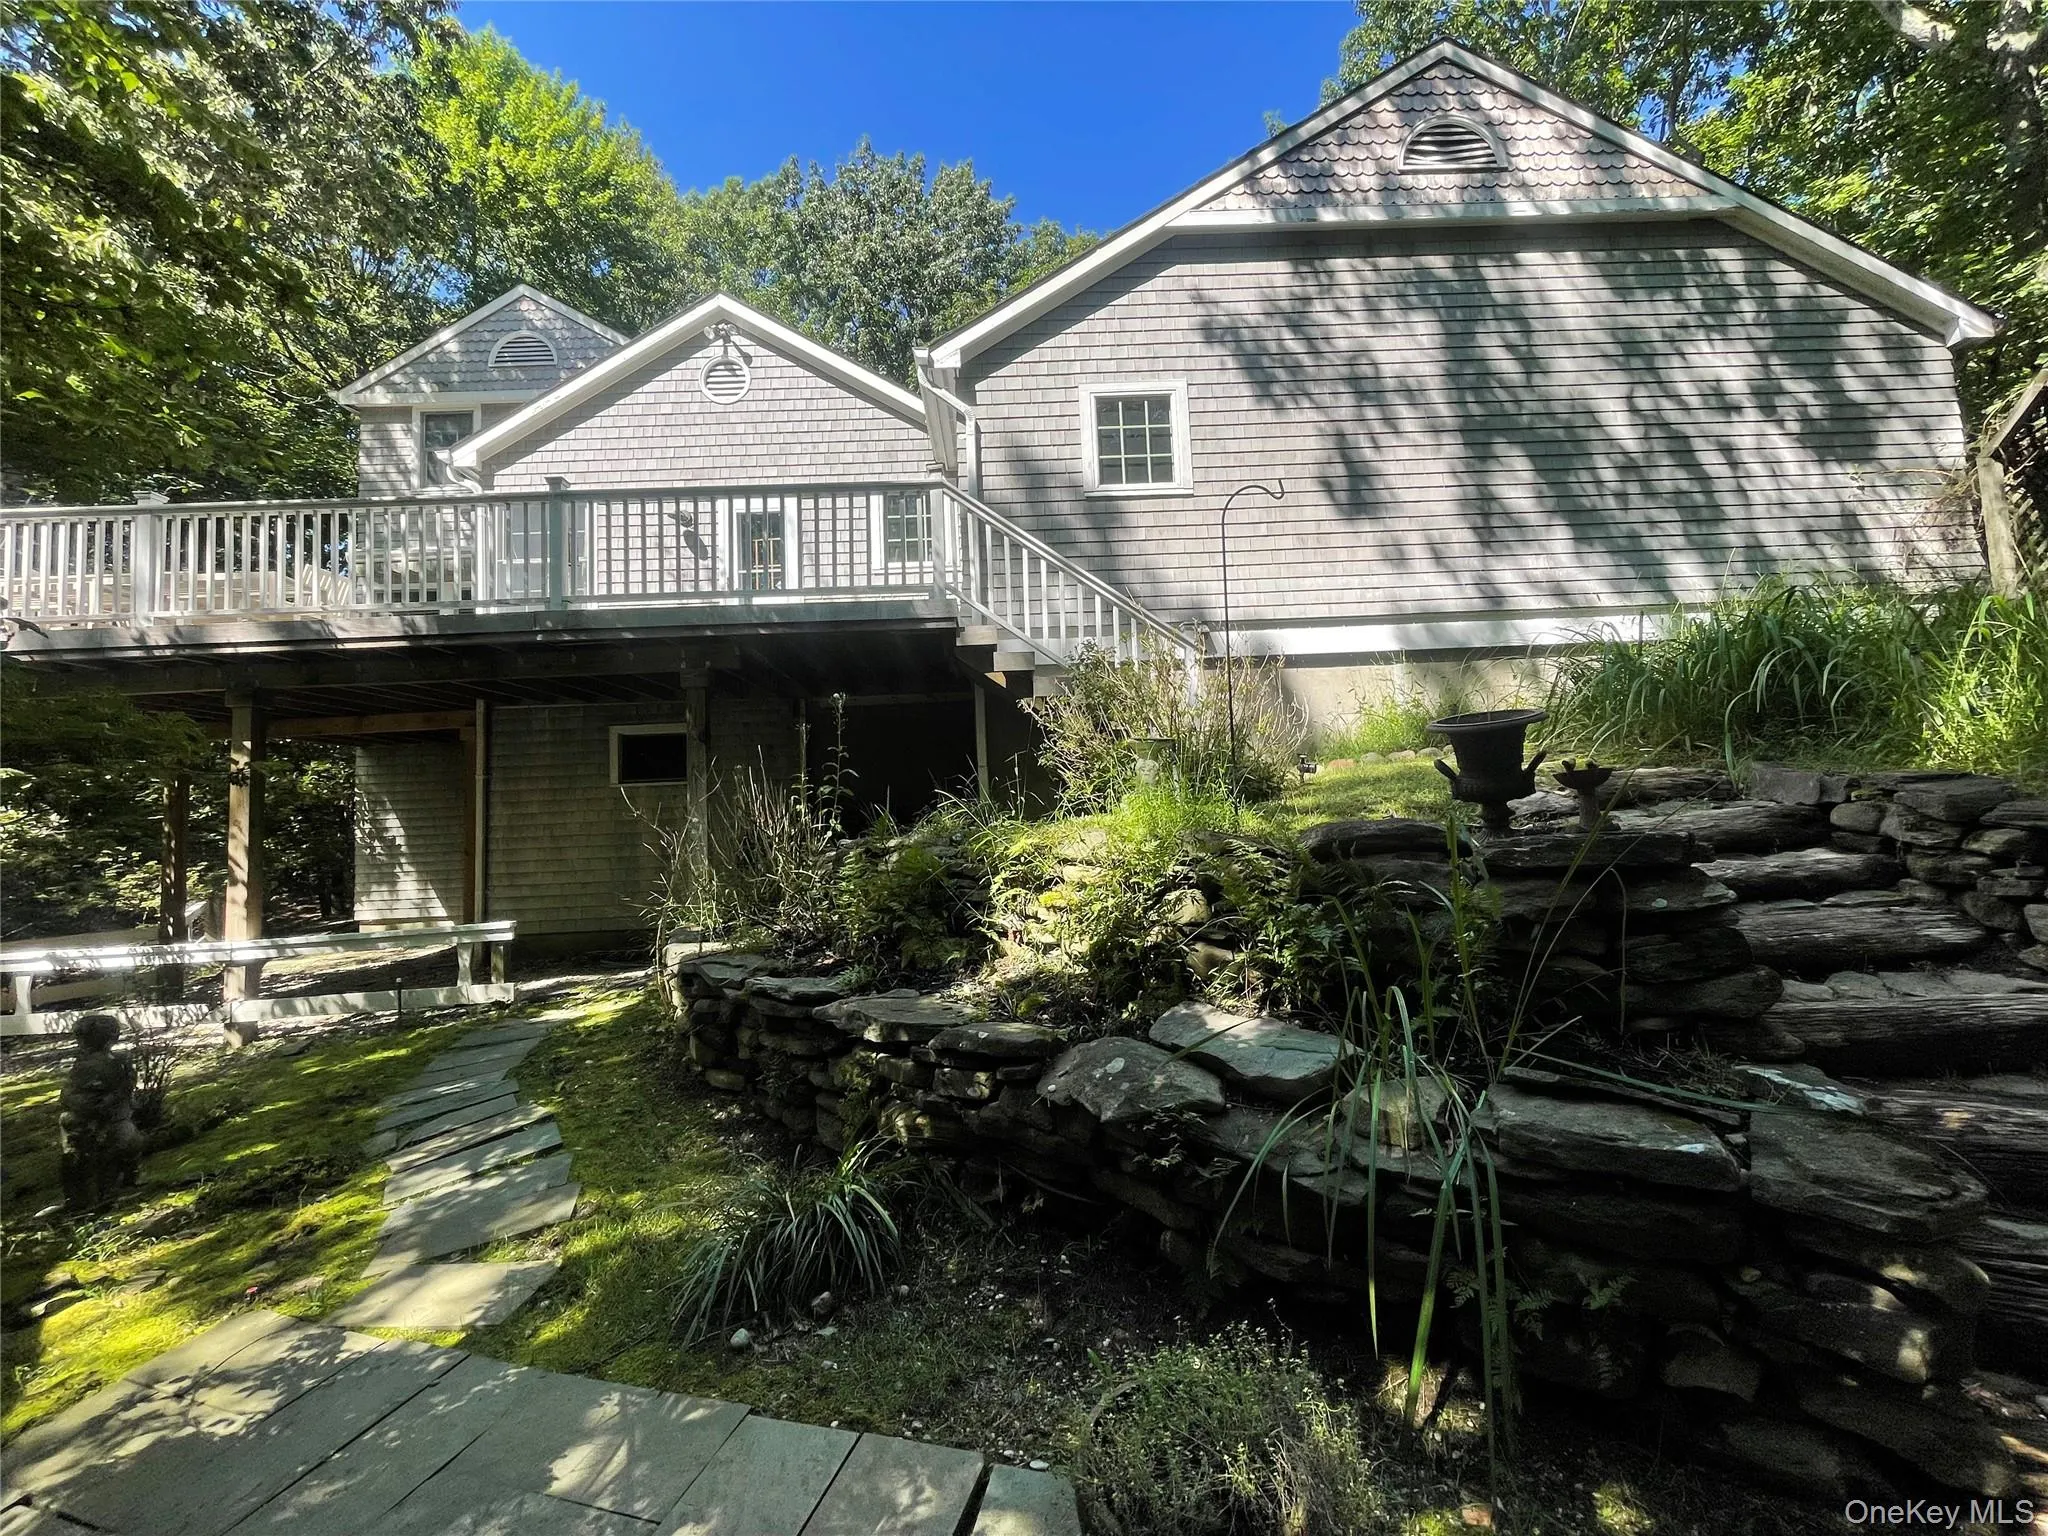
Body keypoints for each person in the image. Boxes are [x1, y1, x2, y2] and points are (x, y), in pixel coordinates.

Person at [59, 1013, 143, 1211]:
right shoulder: (117, 1064)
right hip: (109, 1122)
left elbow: (66, 1096)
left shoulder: (84, 1066)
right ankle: (109, 1193)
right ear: (113, 1038)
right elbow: (123, 1092)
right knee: (119, 1148)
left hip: (94, 1121)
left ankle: (81, 1200)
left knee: (80, 1157)